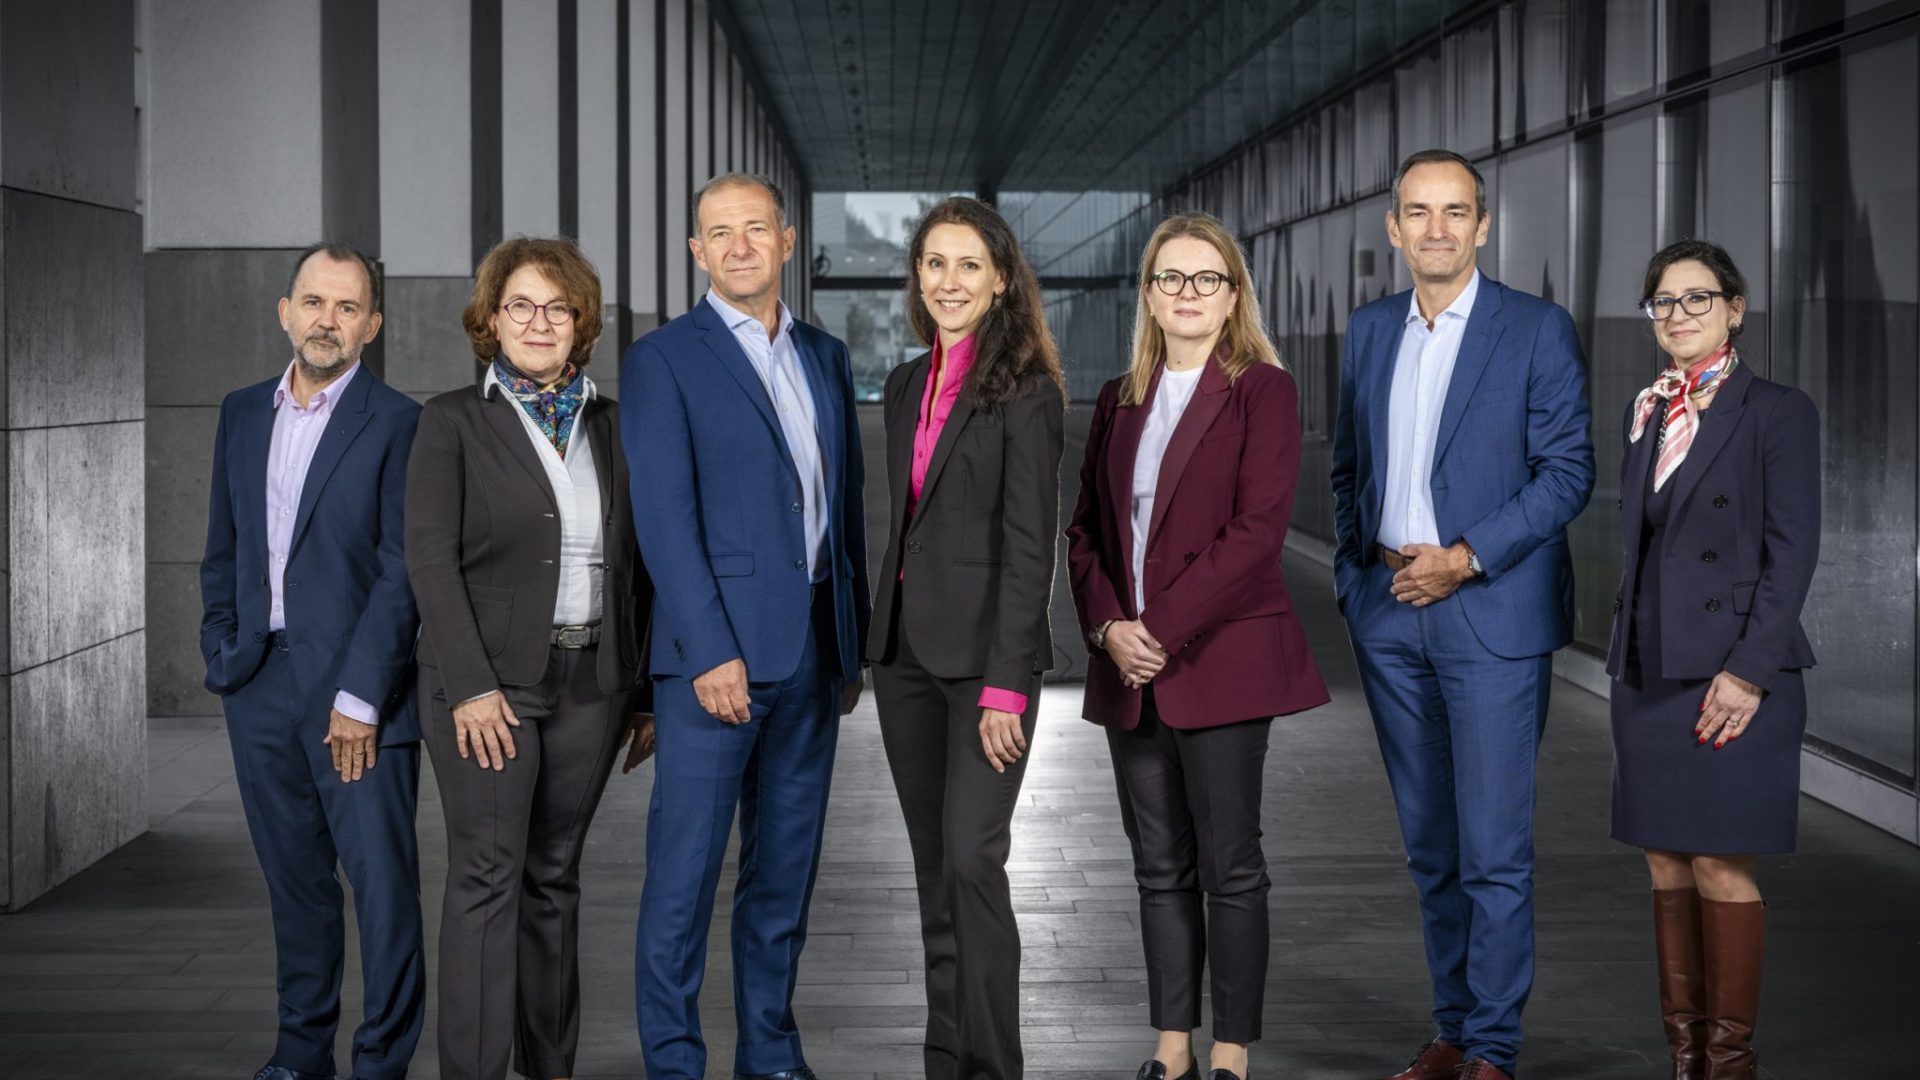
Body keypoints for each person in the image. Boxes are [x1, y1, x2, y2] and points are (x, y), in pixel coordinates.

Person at [1330, 149, 1595, 1080]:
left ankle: (1491, 1049)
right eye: (1418, 212)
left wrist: (1467, 557)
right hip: (1391, 614)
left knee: (1493, 851)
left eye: (1456, 212)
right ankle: (1450, 1032)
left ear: (1483, 227)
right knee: (1431, 849)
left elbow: (1568, 473)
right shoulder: (1366, 332)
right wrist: (1355, 585)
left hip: (1490, 612)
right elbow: (1349, 470)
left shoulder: (1536, 329)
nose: (1436, 228)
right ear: (1394, 228)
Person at [1065, 212, 1329, 1080]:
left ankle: (1230, 1052)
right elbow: (1087, 535)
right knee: (1158, 868)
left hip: (1215, 661)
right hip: (1129, 668)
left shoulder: (1263, 391)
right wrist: (1109, 630)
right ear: (1147, 294)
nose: (1187, 294)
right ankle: (1171, 1046)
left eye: (1205, 279)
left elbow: (1256, 535)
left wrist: (1159, 632)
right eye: (1170, 279)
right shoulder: (1117, 397)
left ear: (1231, 296)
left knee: (1232, 867)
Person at [622, 172, 869, 1080]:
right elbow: (664, 521)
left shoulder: (827, 355)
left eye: (754, 228)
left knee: (783, 878)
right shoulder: (664, 360)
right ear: (696, 252)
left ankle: (769, 1054)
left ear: (787, 241)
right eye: (718, 232)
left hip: (813, 654)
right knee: (682, 882)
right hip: (712, 663)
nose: (738, 245)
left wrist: (853, 640)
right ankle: (675, 1064)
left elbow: (846, 506)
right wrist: (709, 650)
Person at [405, 237, 654, 1080]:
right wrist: (471, 686)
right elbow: (429, 562)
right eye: (521, 305)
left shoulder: (615, 423)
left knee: (554, 878)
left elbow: (641, 563)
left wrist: (645, 692)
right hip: (487, 689)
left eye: (558, 307)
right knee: (487, 874)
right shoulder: (452, 421)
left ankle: (551, 1068)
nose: (539, 321)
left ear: (580, 323)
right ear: (492, 319)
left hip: (593, 683)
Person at [199, 243, 424, 1080]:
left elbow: (403, 571)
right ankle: (302, 1053)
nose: (327, 320)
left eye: (346, 306)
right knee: (295, 882)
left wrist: (362, 695)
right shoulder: (240, 412)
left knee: (384, 890)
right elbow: (222, 548)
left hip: (358, 695)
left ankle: (380, 1062)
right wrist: (222, 646)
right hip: (258, 683)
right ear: (285, 311)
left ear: (371, 324)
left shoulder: (401, 422)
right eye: (313, 302)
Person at [1607, 239, 1818, 1080]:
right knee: (1665, 859)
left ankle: (1728, 1064)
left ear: (1735, 308)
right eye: (1665, 301)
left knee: (1720, 863)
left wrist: (1748, 670)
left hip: (1735, 669)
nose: (1680, 315)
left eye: (1699, 299)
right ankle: (1685, 1058)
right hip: (1652, 668)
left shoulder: (1776, 410)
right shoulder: (1648, 410)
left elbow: (1793, 551)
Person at [867, 196, 1065, 1080]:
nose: (949, 282)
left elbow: (1031, 546)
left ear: (1000, 280)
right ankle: (944, 1055)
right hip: (906, 658)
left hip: (985, 667)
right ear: (918, 278)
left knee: (973, 858)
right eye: (934, 264)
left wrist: (1006, 684)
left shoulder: (1027, 390)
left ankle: (995, 1064)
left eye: (969, 266)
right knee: (932, 867)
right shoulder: (906, 383)